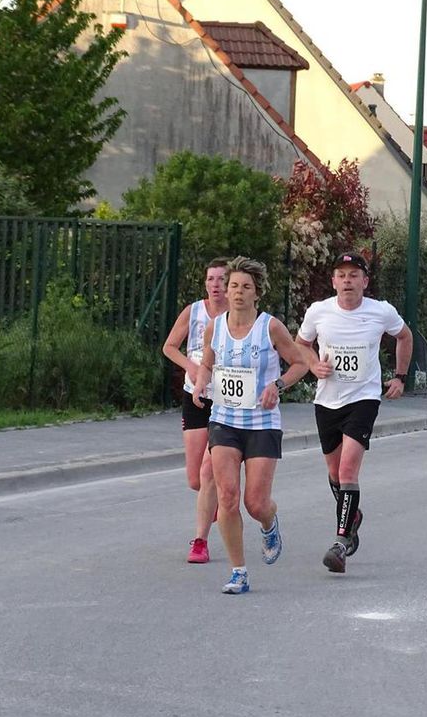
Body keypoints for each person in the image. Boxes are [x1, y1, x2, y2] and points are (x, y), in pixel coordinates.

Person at [190, 257, 307, 594]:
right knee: (227, 497)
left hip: (262, 423)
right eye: (233, 286)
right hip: (224, 421)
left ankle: (269, 523)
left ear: (257, 293)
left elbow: (299, 363)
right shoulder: (214, 327)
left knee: (255, 503)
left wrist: (277, 386)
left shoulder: (270, 327)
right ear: (225, 291)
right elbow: (207, 364)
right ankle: (238, 571)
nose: (238, 292)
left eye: (245, 287)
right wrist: (201, 384)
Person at [295, 252, 413, 573]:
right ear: (333, 281)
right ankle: (353, 515)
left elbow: (404, 336)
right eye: (341, 275)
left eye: (353, 275)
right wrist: (312, 364)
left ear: (365, 281)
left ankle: (341, 542)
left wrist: (400, 376)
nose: (347, 281)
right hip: (327, 401)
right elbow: (301, 343)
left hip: (363, 399)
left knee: (348, 472)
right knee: (334, 473)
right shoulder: (319, 311)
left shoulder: (380, 311)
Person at [161, 257, 228, 564]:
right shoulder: (194, 311)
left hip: (225, 400)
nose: (216, 285)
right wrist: (190, 364)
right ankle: (211, 499)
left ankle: (200, 541)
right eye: (211, 279)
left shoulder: (236, 315)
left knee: (207, 470)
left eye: (221, 279)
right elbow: (169, 346)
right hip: (196, 396)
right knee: (194, 480)